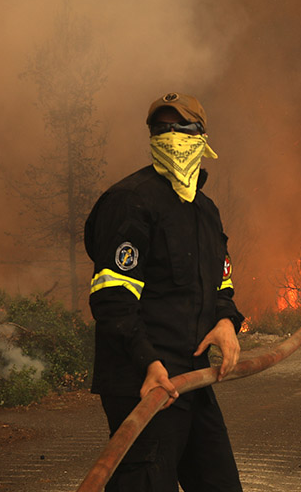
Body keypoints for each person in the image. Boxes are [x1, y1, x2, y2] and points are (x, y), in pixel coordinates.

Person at [84, 92, 245, 491]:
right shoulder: (131, 201)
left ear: (202, 137)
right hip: (143, 381)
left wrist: (226, 320)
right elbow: (112, 299)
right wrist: (148, 364)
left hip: (191, 378)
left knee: (220, 482)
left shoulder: (205, 211)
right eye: (161, 129)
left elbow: (221, 282)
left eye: (181, 129)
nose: (171, 136)